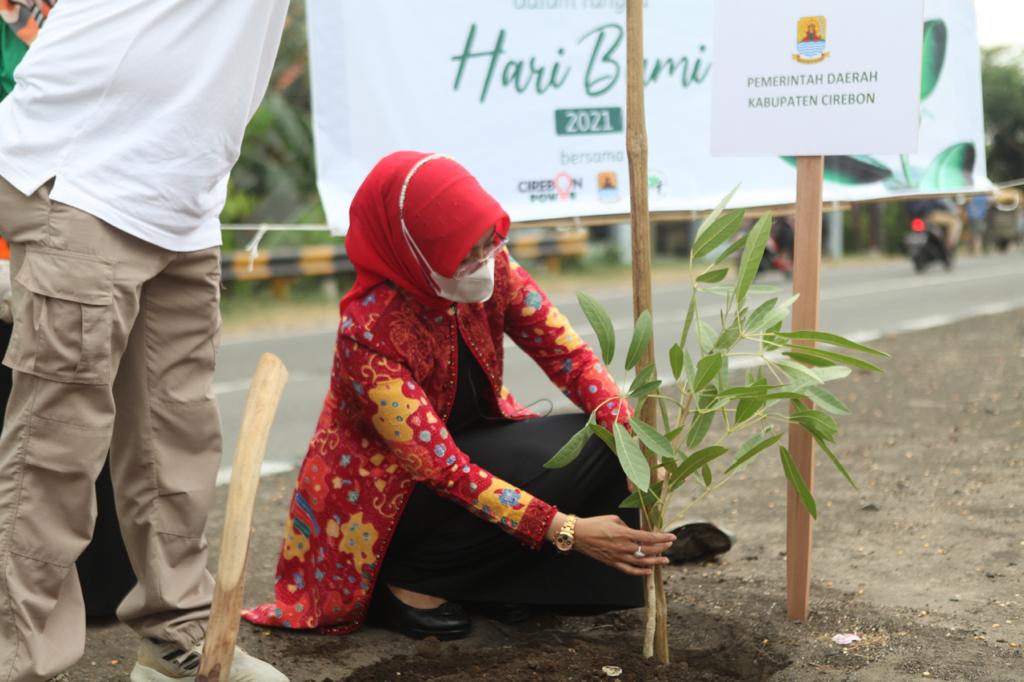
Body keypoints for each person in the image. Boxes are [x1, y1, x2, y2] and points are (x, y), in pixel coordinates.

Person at [245, 152, 677, 641]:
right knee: (528, 480)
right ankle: (409, 582)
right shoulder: (369, 332)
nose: (484, 261)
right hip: (392, 501)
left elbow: (570, 358)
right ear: (413, 252)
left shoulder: (496, 269)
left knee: (601, 440)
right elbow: (444, 470)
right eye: (465, 253)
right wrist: (568, 530)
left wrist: (632, 440)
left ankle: (505, 581)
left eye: (488, 242)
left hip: (469, 450)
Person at [0, 1, 292, 680]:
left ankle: (175, 639)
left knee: (176, 444)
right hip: (83, 172)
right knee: (55, 451)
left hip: (184, 194)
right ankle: (15, 658)